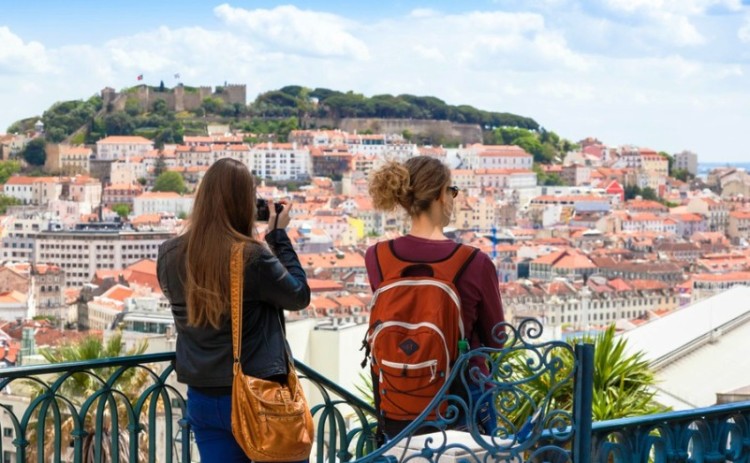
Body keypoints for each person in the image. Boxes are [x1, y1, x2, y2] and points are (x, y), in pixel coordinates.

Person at [157, 158, 311, 463]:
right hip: (258, 396)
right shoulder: (251, 257)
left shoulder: (169, 254)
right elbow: (299, 296)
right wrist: (278, 236)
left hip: (202, 396)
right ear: (244, 204)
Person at [365, 156, 505, 442]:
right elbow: (496, 339)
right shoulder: (474, 262)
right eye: (452, 191)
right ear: (442, 194)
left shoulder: (377, 257)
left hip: (396, 405)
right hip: (459, 406)